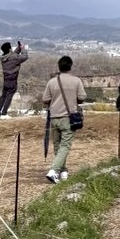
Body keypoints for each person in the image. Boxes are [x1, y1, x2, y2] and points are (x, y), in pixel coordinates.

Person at [41, 55, 86, 184]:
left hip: (54, 117)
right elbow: (82, 97)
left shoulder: (52, 82)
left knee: (57, 145)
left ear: (59, 66)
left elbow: (45, 99)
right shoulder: (76, 81)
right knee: (65, 145)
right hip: (68, 117)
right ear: (70, 66)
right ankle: (54, 171)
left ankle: (63, 171)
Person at [0, 40, 28, 118]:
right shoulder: (13, 57)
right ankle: (4, 113)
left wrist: (19, 48)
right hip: (13, 79)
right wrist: (23, 49)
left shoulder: (3, 57)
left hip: (6, 79)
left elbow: (13, 55)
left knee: (3, 96)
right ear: (9, 49)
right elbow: (24, 57)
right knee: (9, 96)